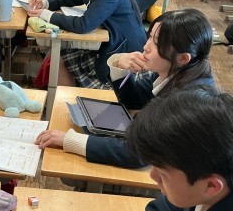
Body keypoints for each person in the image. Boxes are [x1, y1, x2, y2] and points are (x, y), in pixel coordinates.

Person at [36, 9, 215, 167]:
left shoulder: (186, 101)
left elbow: (137, 153)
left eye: (157, 43)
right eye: (150, 36)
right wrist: (119, 66)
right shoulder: (174, 71)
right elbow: (133, 100)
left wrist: (70, 139)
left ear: (183, 58)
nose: (146, 46)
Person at [29, 0, 146, 88]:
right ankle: (59, 96)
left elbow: (83, 25)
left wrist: (46, 15)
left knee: (59, 60)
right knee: (55, 56)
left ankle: (64, 100)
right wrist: (45, 3)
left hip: (123, 54)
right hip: (112, 42)